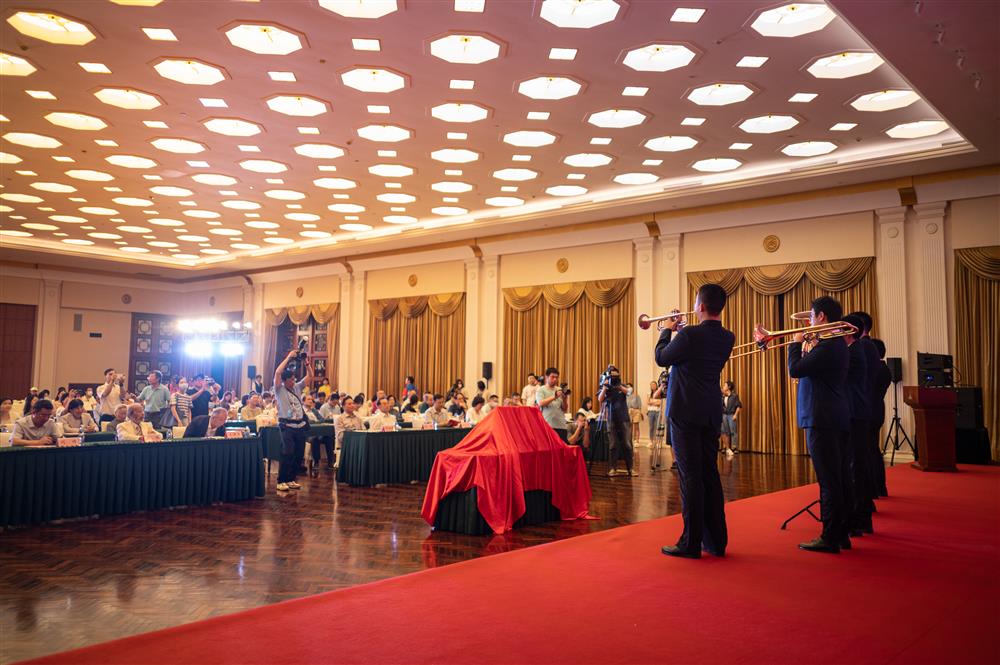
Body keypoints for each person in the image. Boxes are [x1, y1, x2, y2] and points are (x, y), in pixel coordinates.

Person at [655, 284, 736, 559]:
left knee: (690, 477)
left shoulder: (689, 334)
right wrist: (679, 333)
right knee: (709, 475)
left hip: (686, 412)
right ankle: (716, 541)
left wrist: (666, 329)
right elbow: (691, 354)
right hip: (710, 411)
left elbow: (662, 357)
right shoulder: (727, 336)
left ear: (700, 305)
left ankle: (690, 542)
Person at [788, 296, 851, 554]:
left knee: (828, 480)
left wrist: (795, 344)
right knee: (837, 477)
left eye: (812, 316)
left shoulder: (828, 346)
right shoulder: (835, 345)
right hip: (833, 415)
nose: (810, 321)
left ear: (822, 317)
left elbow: (796, 369)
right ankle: (841, 533)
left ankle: (830, 536)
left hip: (821, 417)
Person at [849, 310, 888, 498]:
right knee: (872, 449)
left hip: (864, 408)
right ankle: (877, 488)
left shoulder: (862, 347)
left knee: (864, 453)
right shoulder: (871, 347)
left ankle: (869, 493)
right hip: (873, 407)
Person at [841, 314, 873, 538]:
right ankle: (860, 518)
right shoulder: (858, 349)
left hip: (853, 414)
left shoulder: (854, 351)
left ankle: (857, 520)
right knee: (856, 467)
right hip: (857, 413)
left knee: (854, 468)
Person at [273, 349, 313, 492]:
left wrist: (306, 362)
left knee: (298, 453)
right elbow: (278, 373)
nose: (294, 381)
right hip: (286, 425)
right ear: (284, 381)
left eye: (294, 379)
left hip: (300, 425)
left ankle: (291, 479)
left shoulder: (297, 387)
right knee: (287, 452)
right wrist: (288, 357)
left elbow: (310, 376)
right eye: (291, 379)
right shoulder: (279, 389)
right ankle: (281, 480)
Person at [598, 367, 633, 476]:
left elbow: (629, 392)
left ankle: (630, 469)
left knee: (627, 444)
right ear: (608, 376)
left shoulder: (622, 385)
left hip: (624, 418)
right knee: (613, 445)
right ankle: (613, 468)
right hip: (611, 419)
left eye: (615, 375)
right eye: (611, 375)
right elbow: (600, 399)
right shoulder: (606, 386)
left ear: (619, 375)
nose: (614, 377)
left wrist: (619, 386)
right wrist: (605, 387)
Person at [536, 368, 569, 440]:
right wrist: (555, 396)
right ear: (546, 377)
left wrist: (564, 399)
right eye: (552, 377)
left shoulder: (559, 389)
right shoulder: (541, 389)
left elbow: (565, 409)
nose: (555, 379)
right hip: (548, 425)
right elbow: (540, 403)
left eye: (556, 377)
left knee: (561, 450)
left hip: (561, 425)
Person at [334, 396, 364, 466]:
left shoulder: (358, 418)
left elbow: (363, 431)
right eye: (349, 404)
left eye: (353, 403)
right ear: (343, 406)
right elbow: (340, 436)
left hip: (358, 445)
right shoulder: (340, 419)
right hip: (346, 446)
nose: (352, 405)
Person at [720, 381, 742, 456]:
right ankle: (726, 447)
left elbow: (738, 406)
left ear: (729, 387)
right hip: (724, 415)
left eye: (725, 385)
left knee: (733, 431)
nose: (723, 386)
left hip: (731, 414)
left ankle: (735, 447)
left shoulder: (734, 396)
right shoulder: (722, 396)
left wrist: (735, 415)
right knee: (725, 432)